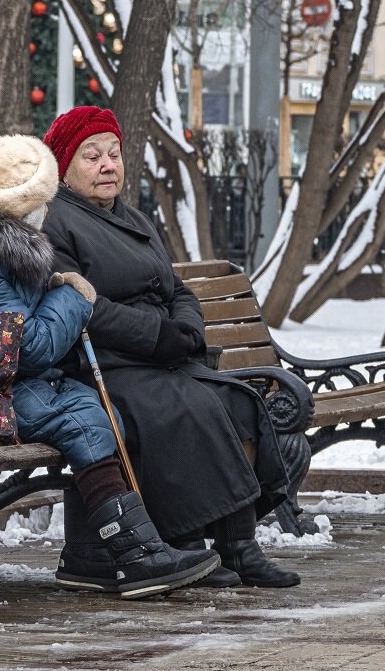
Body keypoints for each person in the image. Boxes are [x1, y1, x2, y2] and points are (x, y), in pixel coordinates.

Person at [0, 134, 219, 600]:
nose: (47, 213)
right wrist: (72, 296)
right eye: (40, 203)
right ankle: (136, 556)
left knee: (93, 408)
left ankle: (100, 555)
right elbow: (31, 349)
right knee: (82, 418)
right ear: (14, 206)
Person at [40, 106, 300, 589]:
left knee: (236, 400)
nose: (107, 165)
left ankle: (238, 547)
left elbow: (176, 288)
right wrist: (157, 336)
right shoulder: (53, 222)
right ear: (63, 166)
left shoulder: (133, 217)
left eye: (114, 154)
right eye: (91, 156)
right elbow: (80, 308)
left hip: (157, 357)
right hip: (103, 364)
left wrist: (187, 330)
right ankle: (184, 544)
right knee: (191, 406)